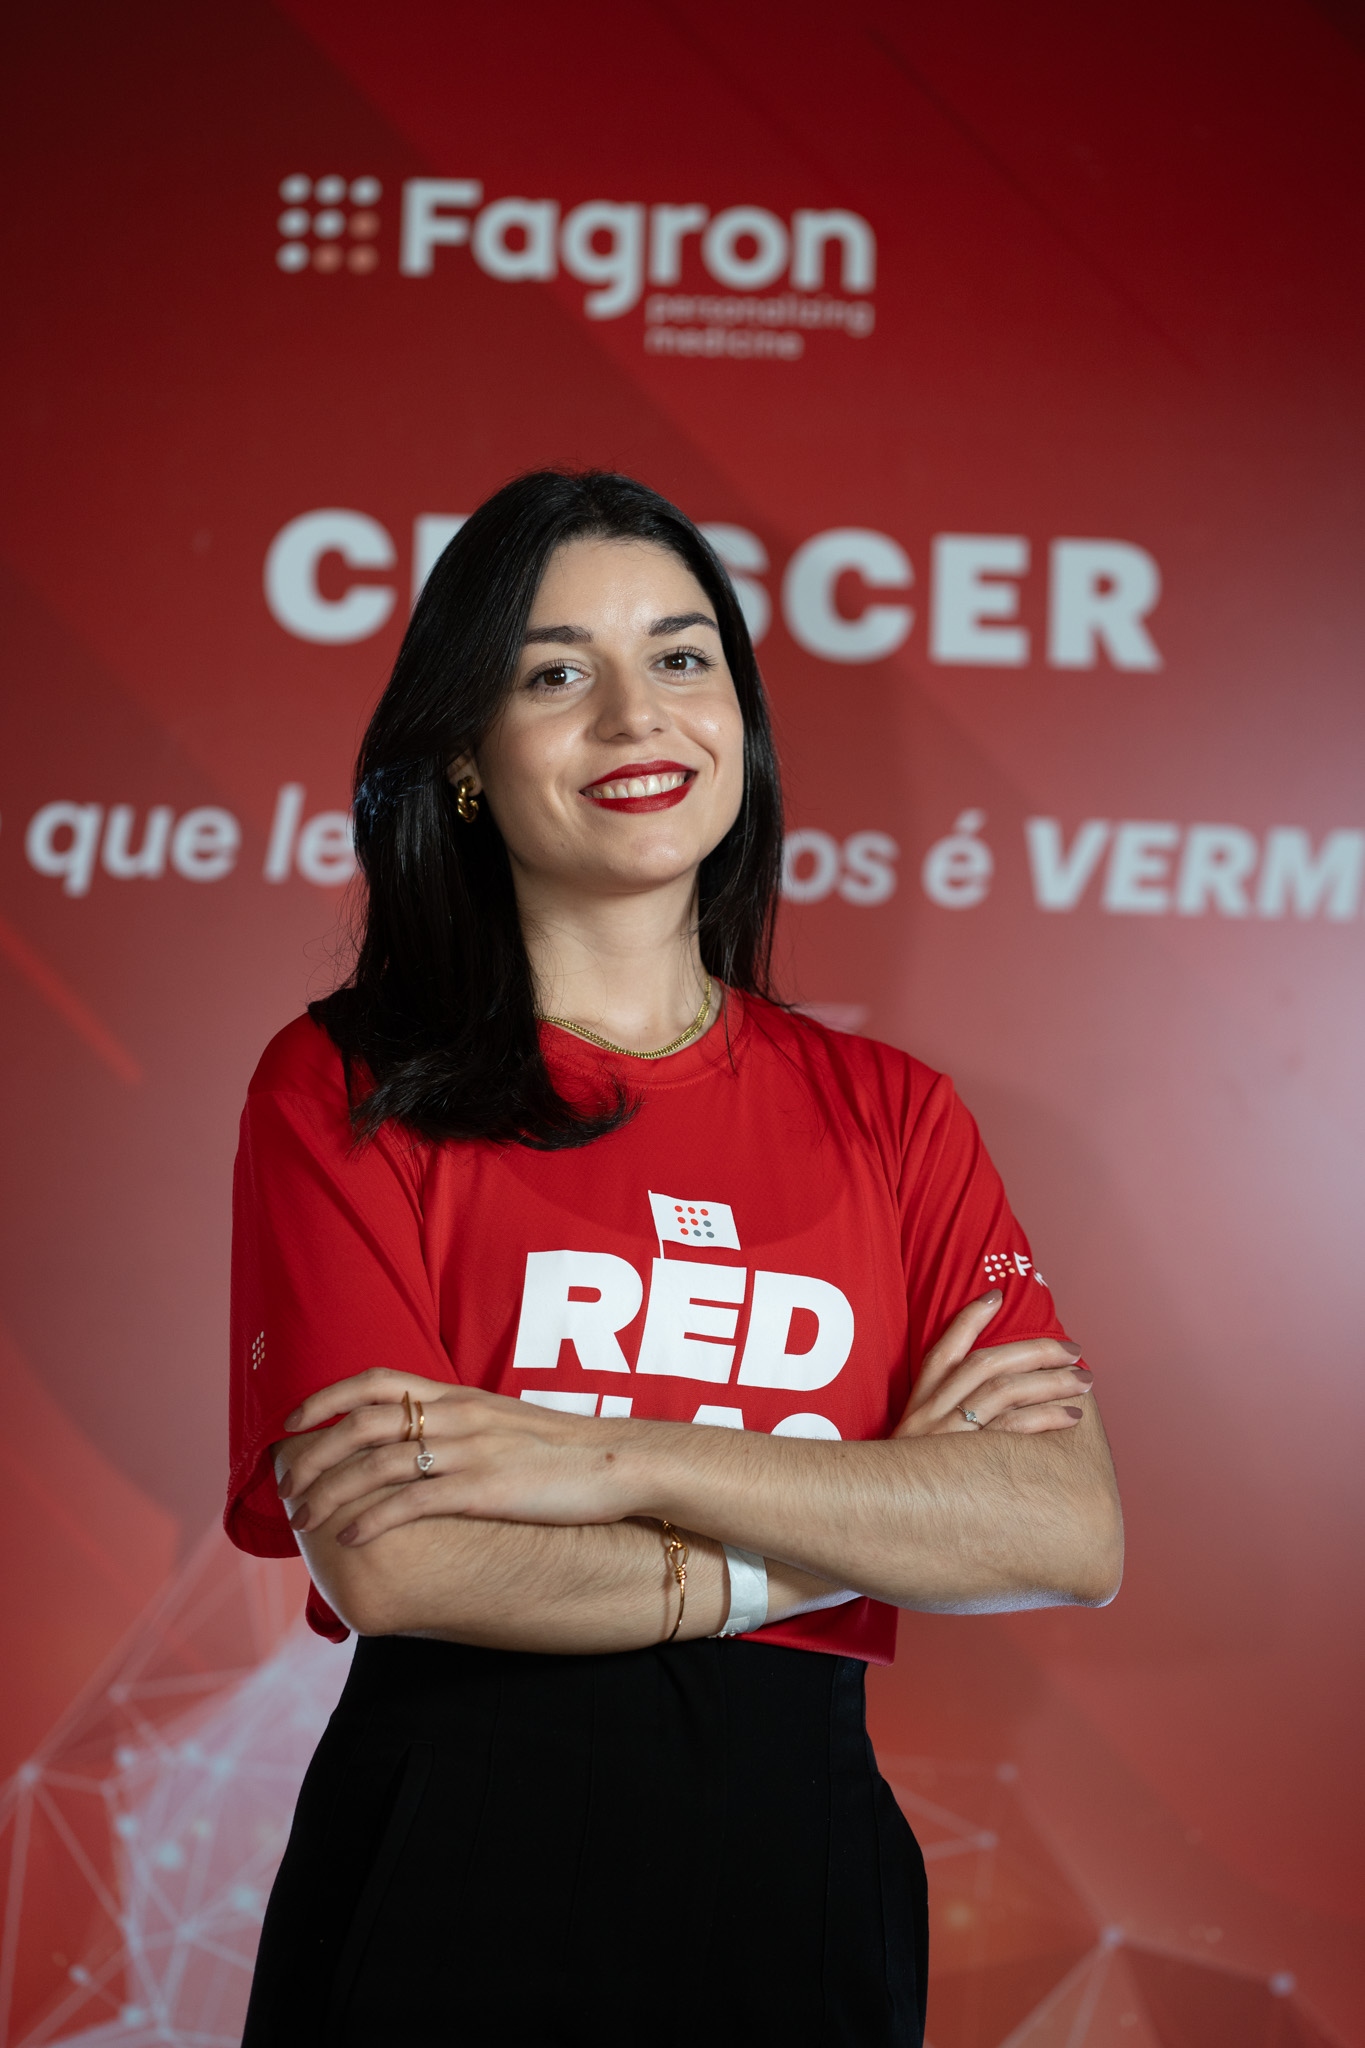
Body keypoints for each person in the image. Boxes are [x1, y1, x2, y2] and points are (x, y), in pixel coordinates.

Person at [227, 469, 1122, 2048]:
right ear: (461, 758)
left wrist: (604, 1457)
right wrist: (860, 1521)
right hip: (453, 1864)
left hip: (804, 1877)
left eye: (682, 656)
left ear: (740, 724)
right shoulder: (346, 1083)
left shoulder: (891, 1114)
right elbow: (396, 1560)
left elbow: (1062, 1526)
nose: (635, 715)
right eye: (553, 673)